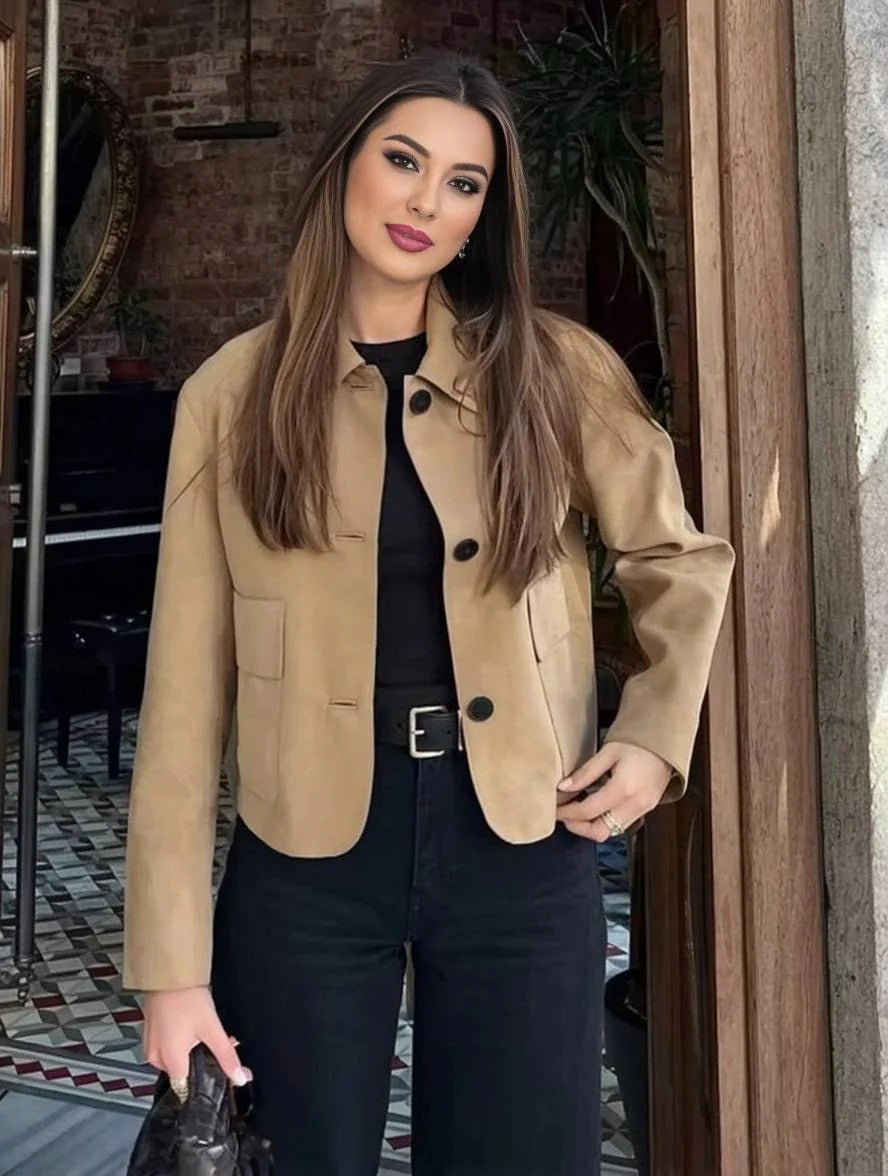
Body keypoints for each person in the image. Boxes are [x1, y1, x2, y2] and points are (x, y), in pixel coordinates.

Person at [123, 50, 735, 1175]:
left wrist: (654, 738)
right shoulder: (231, 396)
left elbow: (679, 558)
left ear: (482, 217)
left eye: (463, 183)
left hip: (523, 836)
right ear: (343, 167)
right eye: (403, 161)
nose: (426, 202)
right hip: (305, 857)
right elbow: (182, 698)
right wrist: (170, 970)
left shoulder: (553, 371)